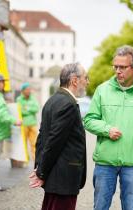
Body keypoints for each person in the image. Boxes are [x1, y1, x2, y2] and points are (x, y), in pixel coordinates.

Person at [83, 45, 133, 210]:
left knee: (130, 207)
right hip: (105, 162)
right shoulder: (102, 90)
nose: (118, 71)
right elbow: (89, 120)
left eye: (123, 67)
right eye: (115, 66)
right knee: (100, 206)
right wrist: (107, 129)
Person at [29, 63, 89, 210]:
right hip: (63, 177)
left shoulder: (52, 100)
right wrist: (41, 172)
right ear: (74, 80)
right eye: (86, 78)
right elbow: (53, 141)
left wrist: (39, 167)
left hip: (56, 176)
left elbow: (42, 137)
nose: (87, 82)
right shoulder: (68, 103)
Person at [17, 82, 39, 160]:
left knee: (34, 143)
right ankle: (25, 159)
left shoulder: (33, 98)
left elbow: (36, 108)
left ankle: (35, 159)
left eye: (29, 89)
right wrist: (29, 109)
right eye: (27, 89)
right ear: (23, 91)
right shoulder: (19, 99)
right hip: (24, 124)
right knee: (24, 143)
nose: (29, 91)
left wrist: (27, 108)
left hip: (33, 124)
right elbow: (20, 111)